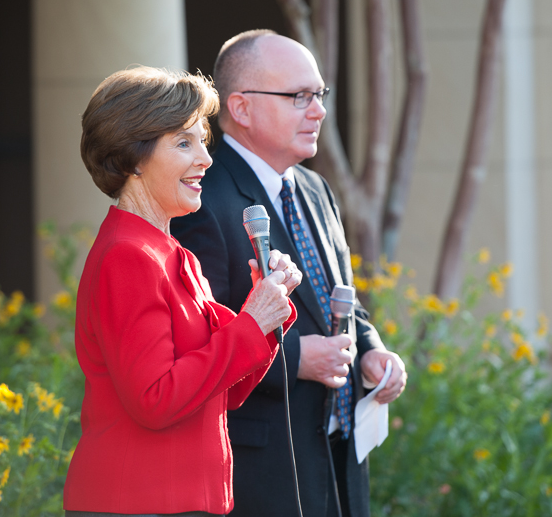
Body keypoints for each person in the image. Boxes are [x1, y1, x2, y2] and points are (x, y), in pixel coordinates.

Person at [171, 31, 407, 517]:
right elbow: (194, 342)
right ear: (241, 107)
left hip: (339, 458)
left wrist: (371, 350)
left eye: (320, 95)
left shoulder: (316, 189)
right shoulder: (200, 202)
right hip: (263, 468)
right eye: (299, 97)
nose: (318, 110)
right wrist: (297, 356)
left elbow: (340, 300)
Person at [63, 67, 301, 517]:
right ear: (133, 157)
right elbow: (156, 399)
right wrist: (251, 323)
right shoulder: (128, 256)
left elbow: (220, 391)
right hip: (138, 503)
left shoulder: (171, 254)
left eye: (202, 141)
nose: (206, 159)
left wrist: (267, 313)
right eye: (183, 143)